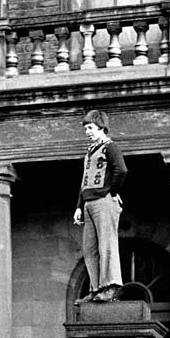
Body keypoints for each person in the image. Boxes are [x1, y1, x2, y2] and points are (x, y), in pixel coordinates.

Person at [73, 110, 127, 305]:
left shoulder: (110, 147)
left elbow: (121, 170)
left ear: (101, 127)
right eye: (86, 128)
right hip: (88, 203)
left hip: (103, 201)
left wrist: (110, 191)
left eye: (90, 127)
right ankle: (95, 288)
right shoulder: (90, 151)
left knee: (107, 244)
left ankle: (110, 286)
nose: (87, 131)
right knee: (90, 248)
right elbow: (84, 181)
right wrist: (79, 206)